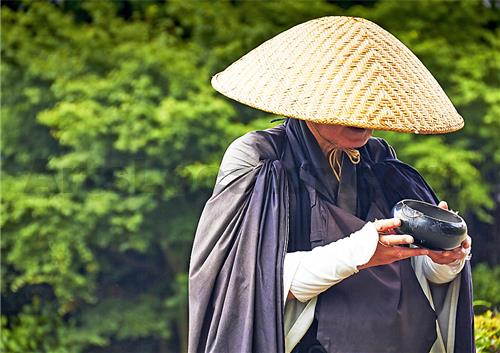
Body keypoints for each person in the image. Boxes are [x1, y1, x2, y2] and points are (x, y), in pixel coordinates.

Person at [188, 16, 474, 353]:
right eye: (350, 103)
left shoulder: (380, 161)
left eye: (372, 105)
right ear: (310, 97)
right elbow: (250, 283)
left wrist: (443, 259)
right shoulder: (260, 159)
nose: (364, 120)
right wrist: (363, 250)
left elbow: (418, 275)